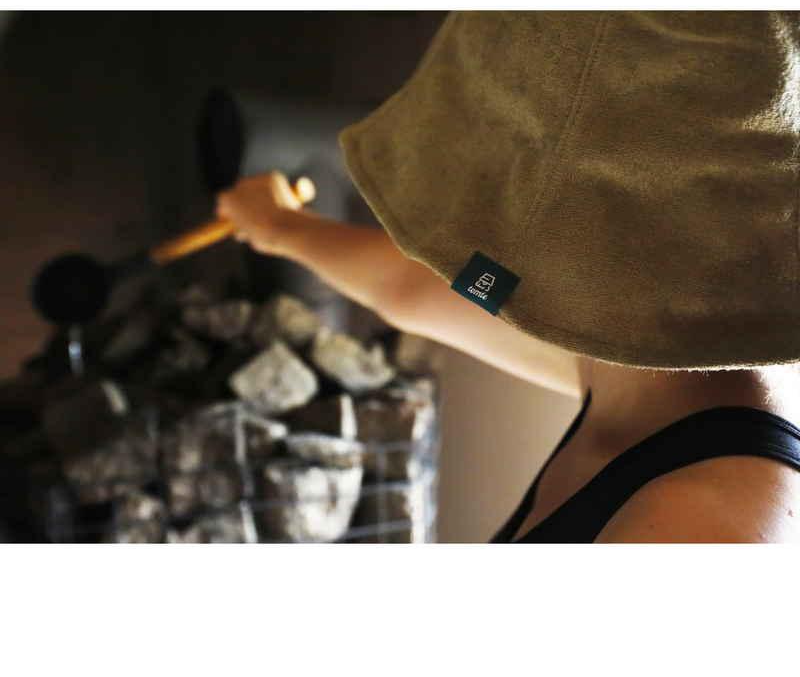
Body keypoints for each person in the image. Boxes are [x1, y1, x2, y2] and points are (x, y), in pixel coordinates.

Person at [217, 169, 800, 543]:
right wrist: (281, 226)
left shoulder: (714, 522)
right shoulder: (639, 360)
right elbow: (427, 286)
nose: (494, 245)